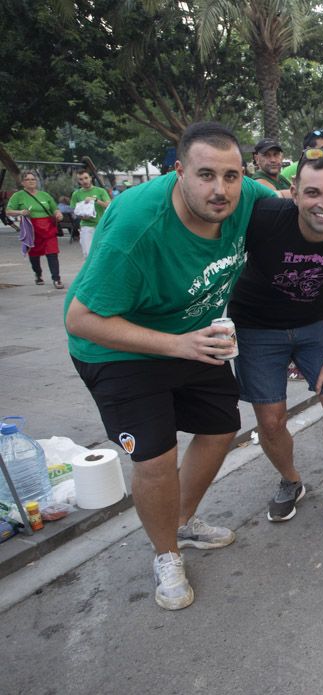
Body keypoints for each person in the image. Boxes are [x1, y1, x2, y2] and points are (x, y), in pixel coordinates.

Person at [63, 122, 279, 611]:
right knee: (155, 459)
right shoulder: (137, 226)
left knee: (222, 428)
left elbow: (297, 206)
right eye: (205, 175)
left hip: (193, 336)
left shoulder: (249, 195)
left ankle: (181, 519)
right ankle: (166, 553)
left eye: (231, 176)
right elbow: (82, 318)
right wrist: (174, 345)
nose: (220, 190)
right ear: (178, 171)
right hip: (118, 345)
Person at [228, 148, 323, 537]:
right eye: (313, 193)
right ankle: (291, 480)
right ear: (293, 192)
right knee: (271, 420)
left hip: (313, 323)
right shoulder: (265, 218)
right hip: (256, 326)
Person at [6, 171, 65, 288]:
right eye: (28, 179)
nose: (31, 181)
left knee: (52, 252)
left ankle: (56, 279)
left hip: (48, 228)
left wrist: (59, 214)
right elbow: (8, 211)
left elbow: (55, 209)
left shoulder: (45, 195)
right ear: (23, 183)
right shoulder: (18, 196)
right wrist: (20, 212)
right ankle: (38, 274)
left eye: (33, 179)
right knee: (34, 254)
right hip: (31, 229)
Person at [69, 170, 112, 258]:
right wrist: (81, 215)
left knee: (102, 252)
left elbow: (109, 205)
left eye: (86, 178)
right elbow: (74, 210)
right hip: (86, 226)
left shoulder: (100, 191)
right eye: (81, 179)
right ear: (79, 181)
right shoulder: (76, 194)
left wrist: (96, 200)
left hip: (101, 225)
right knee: (88, 253)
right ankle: (90, 270)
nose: (84, 181)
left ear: (90, 178)